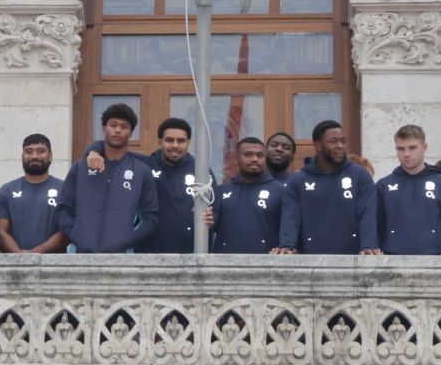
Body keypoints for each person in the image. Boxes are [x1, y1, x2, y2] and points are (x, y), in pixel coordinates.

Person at [58, 102, 160, 253]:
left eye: (124, 127)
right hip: (79, 252)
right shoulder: (80, 167)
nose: (118, 130)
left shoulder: (141, 171)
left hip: (123, 255)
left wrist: (127, 239)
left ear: (131, 133)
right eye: (113, 125)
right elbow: (63, 209)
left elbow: (151, 217)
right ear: (104, 128)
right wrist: (77, 235)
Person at [283, 120, 378, 255]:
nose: (340, 146)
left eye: (343, 141)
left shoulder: (360, 175)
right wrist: (287, 246)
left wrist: (369, 246)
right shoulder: (298, 180)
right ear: (318, 145)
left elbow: (367, 214)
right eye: (333, 141)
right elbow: (290, 218)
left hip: (352, 259)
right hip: (310, 259)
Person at [375, 124, 441, 255]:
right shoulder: (384, 185)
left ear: (424, 147)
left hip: (434, 259)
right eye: (401, 149)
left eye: (412, 148)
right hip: (391, 259)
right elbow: (376, 224)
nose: (406, 154)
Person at [207, 137, 293, 254]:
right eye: (248, 155)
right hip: (224, 261)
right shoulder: (222, 191)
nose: (254, 159)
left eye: (260, 155)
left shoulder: (280, 191)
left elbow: (288, 229)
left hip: (266, 261)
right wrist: (204, 219)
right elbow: (210, 226)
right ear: (236, 158)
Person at [0, 134, 68, 253]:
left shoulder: (65, 189)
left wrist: (36, 252)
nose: (34, 156)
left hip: (55, 262)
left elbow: (67, 230)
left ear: (50, 156)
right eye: (29, 151)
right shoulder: (6, 191)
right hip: (14, 262)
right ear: (22, 156)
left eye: (41, 151)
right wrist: (20, 255)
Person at [142, 118, 208, 253]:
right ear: (160, 141)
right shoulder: (144, 167)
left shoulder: (201, 171)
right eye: (169, 140)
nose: (175, 145)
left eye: (181, 141)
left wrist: (211, 216)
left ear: (188, 143)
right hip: (148, 253)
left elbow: (215, 210)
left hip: (191, 254)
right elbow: (115, 151)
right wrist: (96, 150)